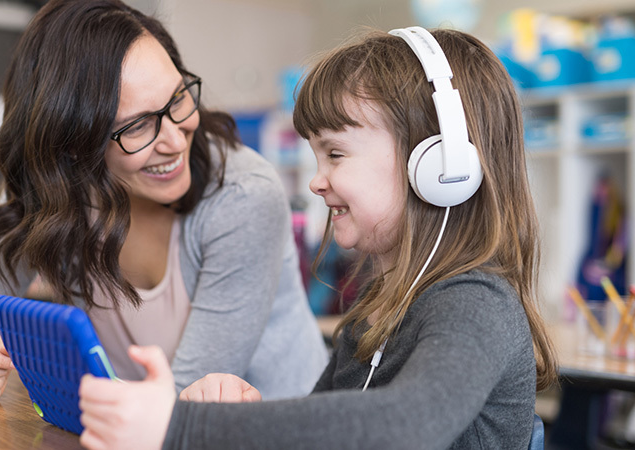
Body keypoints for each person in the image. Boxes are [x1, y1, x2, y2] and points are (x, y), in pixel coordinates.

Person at [76, 26, 559, 449]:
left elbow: (406, 426)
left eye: (336, 154)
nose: (317, 180)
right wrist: (236, 414)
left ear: (437, 166)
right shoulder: (377, 311)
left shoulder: (476, 304)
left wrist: (183, 428)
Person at [0, 0, 327, 408]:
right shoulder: (51, 196)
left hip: (272, 431)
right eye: (138, 125)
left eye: (178, 97)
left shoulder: (241, 195)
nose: (175, 139)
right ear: (73, 145)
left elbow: (188, 404)